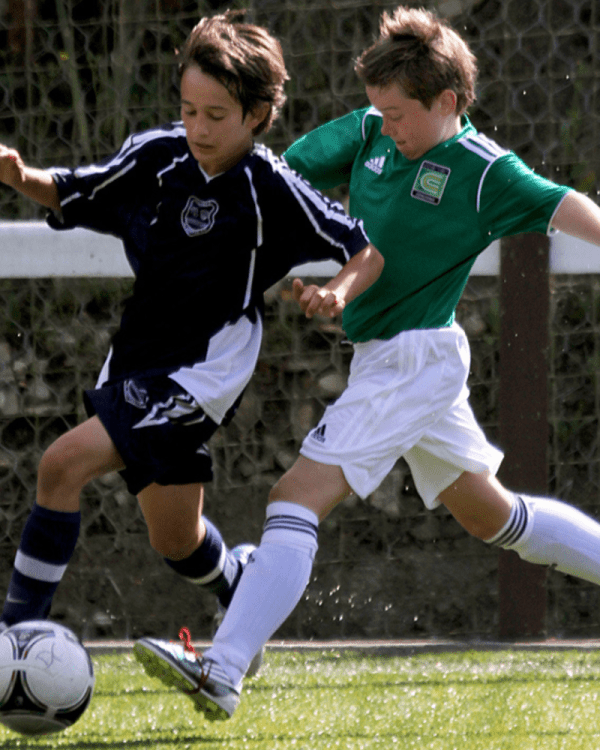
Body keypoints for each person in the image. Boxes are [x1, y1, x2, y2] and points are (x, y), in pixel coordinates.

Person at [133, 5, 600, 721]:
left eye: (400, 114)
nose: (386, 125)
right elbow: (278, 177)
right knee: (495, 517)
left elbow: (566, 206)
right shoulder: (369, 131)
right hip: (398, 361)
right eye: (379, 109)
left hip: (414, 360)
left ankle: (222, 669)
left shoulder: (486, 173)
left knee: (295, 497)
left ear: (448, 102)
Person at [0, 9, 383, 680]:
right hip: (137, 357)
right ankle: (241, 592)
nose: (198, 128)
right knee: (176, 538)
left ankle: (12, 643)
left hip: (203, 372)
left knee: (60, 466)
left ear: (257, 115)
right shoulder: (158, 156)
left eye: (216, 115)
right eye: (188, 111)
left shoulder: (271, 190)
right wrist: (17, 174)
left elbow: (363, 249)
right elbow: (76, 191)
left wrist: (337, 293)